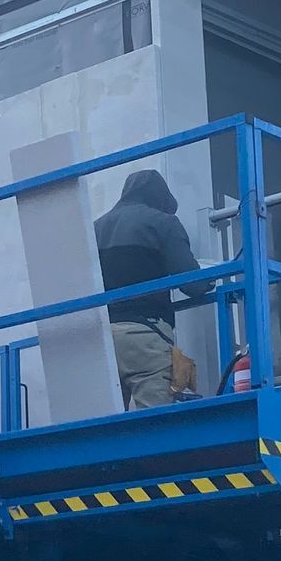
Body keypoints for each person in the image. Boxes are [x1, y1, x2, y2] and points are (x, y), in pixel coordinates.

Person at [92, 168, 199, 410]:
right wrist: (210, 277)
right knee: (155, 434)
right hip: (146, 338)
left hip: (99, 340)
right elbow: (194, 284)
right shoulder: (163, 223)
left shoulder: (94, 229)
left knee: (104, 433)